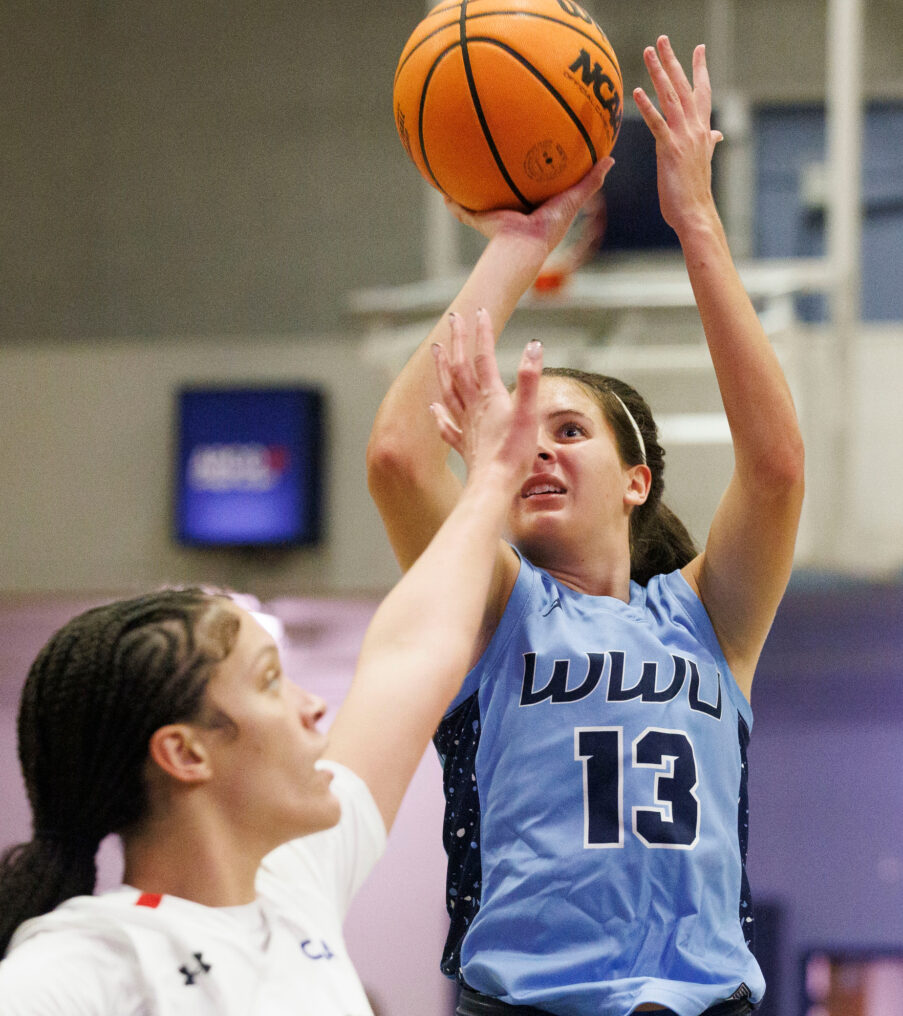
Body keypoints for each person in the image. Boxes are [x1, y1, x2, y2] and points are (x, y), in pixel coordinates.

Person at [366, 37, 804, 1016]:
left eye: (569, 430)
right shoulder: (492, 608)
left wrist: (697, 221)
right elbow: (398, 455)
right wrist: (524, 242)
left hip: (705, 1000)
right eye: (521, 435)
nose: (540, 451)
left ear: (638, 479)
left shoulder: (707, 618)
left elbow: (774, 469)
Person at [0, 321, 545, 1014]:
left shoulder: (297, 886)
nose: (313, 705)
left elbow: (413, 652)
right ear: (184, 752)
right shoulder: (76, 967)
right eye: (266, 680)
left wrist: (493, 478)